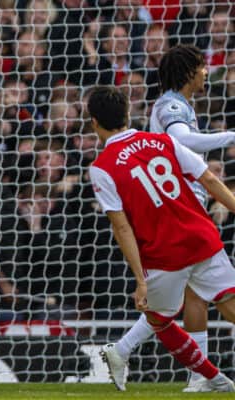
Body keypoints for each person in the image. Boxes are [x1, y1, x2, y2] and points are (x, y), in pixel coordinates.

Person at [101, 44, 235, 393]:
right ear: (189, 71)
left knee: (188, 300)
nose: (207, 72)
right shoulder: (171, 106)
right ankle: (192, 373)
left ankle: (137, 354)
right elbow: (182, 140)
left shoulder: (178, 104)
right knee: (202, 297)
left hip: (179, 207)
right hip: (181, 208)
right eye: (202, 67)